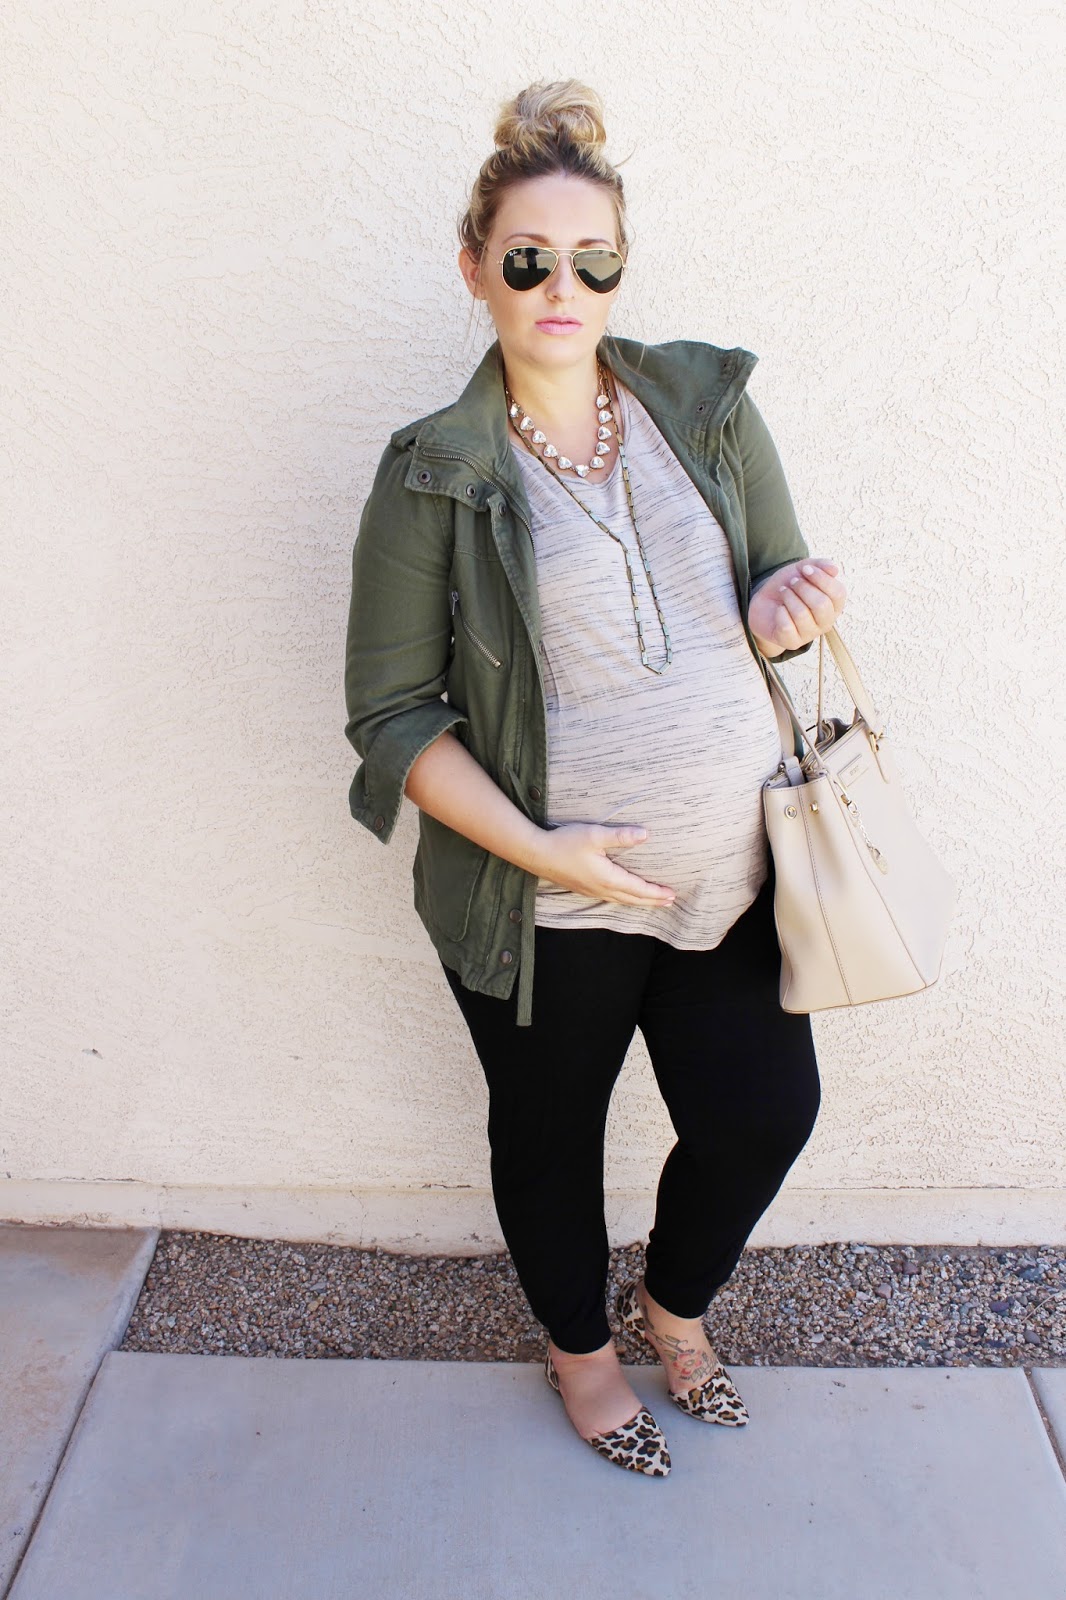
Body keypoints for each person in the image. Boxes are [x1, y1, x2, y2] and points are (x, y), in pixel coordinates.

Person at [343, 80, 847, 1478]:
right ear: (474, 268)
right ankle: (579, 1355)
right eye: (527, 259)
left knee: (763, 1113)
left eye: (591, 260)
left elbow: (766, 593)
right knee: (551, 1139)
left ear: (620, 267)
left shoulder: (707, 407)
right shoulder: (432, 473)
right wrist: (546, 851)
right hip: (543, 902)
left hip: (730, 874)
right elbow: (391, 713)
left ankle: (671, 1308)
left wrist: (783, 612)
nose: (560, 286)